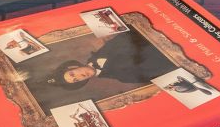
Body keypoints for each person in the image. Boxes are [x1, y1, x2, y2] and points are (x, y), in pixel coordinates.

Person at [46, 32, 176, 89]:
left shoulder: (99, 52)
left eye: (73, 74)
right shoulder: (124, 77)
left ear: (72, 67)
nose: (80, 76)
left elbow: (128, 34)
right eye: (76, 80)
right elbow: (166, 68)